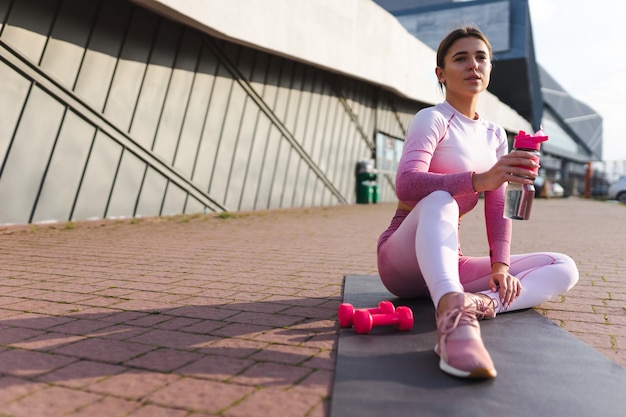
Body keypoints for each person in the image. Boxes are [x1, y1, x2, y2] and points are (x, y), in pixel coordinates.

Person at [376, 26, 579, 379]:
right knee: (441, 199)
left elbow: (498, 207)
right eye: (461, 58)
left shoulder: (495, 134)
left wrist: (500, 266)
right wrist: (479, 180)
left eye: (481, 57)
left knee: (563, 266)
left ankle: (478, 304)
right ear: (441, 73)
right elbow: (406, 185)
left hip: (447, 263)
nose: (473, 65)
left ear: (489, 69)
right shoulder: (433, 118)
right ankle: (453, 323)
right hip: (401, 261)